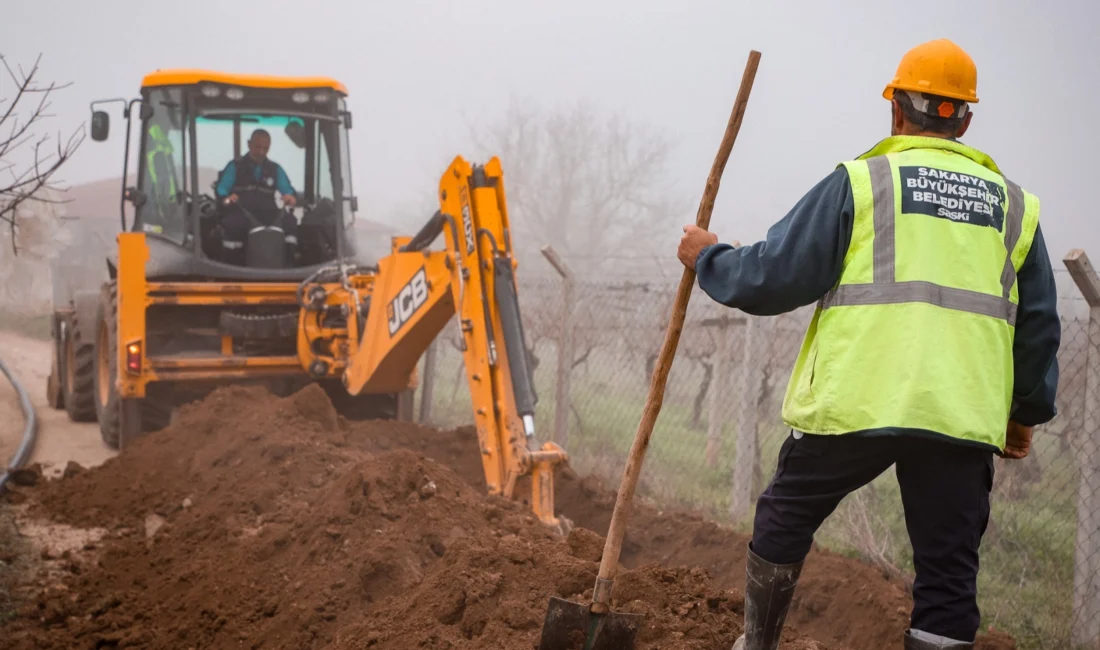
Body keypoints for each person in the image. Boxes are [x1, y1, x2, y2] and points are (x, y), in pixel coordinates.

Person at [677, 39, 1060, 650]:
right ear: (964, 119)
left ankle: (756, 643)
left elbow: (773, 277)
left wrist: (708, 260)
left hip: (856, 402)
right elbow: (1038, 324)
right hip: (958, 416)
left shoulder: (861, 183)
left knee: (785, 518)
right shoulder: (1015, 207)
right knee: (947, 575)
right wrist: (1024, 414)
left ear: (896, 111)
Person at [215, 128, 299, 264]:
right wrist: (228, 197)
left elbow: (288, 191)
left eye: (265, 148)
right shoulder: (235, 166)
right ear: (249, 144)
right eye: (257, 147)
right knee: (233, 225)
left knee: (290, 222)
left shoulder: (275, 169)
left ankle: (289, 266)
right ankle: (232, 268)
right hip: (240, 212)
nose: (261, 152)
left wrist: (290, 198)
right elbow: (221, 189)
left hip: (268, 213)